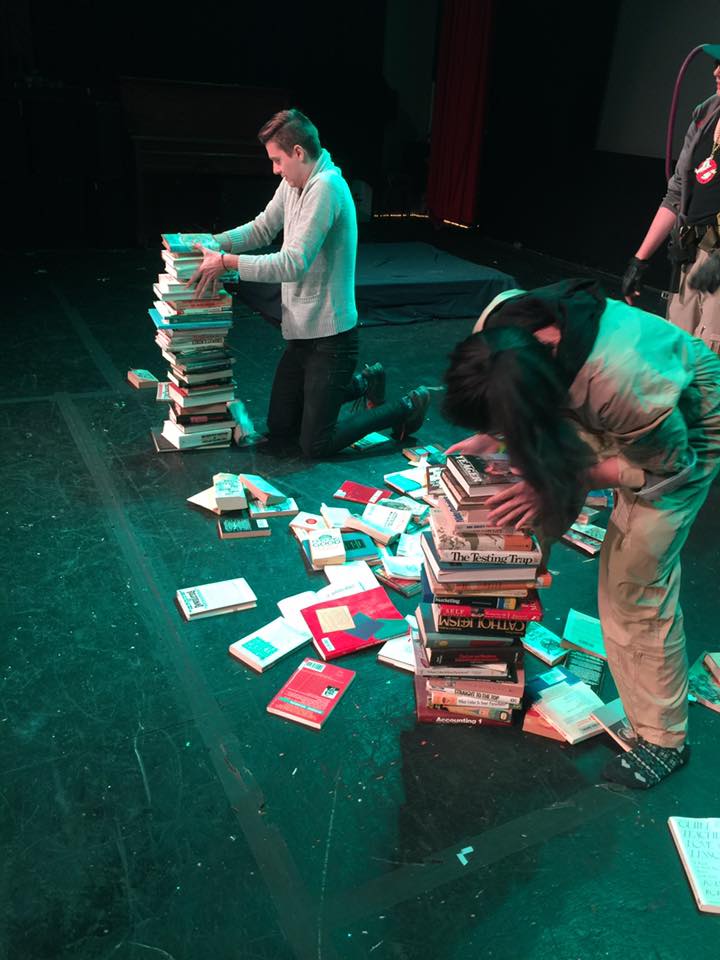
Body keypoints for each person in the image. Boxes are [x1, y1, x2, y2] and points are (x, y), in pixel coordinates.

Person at [443, 279, 720, 789]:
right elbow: (522, 404)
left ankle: (664, 738)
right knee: (515, 516)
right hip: (588, 394)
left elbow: (662, 468)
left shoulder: (624, 384)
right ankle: (491, 650)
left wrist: (560, 476)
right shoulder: (503, 321)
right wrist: (485, 437)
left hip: (683, 426)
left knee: (633, 586)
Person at [188, 108, 429, 457]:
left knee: (316, 444)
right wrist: (212, 242)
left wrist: (226, 263)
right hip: (301, 335)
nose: (275, 169)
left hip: (332, 340)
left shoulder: (327, 188)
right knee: (281, 429)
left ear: (298, 153)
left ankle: (406, 406)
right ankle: (364, 382)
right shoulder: (293, 184)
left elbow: (292, 263)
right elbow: (261, 228)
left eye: (277, 160)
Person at [622, 46, 720, 350]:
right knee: (678, 347)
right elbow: (677, 191)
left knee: (711, 358)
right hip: (690, 251)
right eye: (718, 63)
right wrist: (639, 259)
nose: (716, 72)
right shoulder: (706, 113)